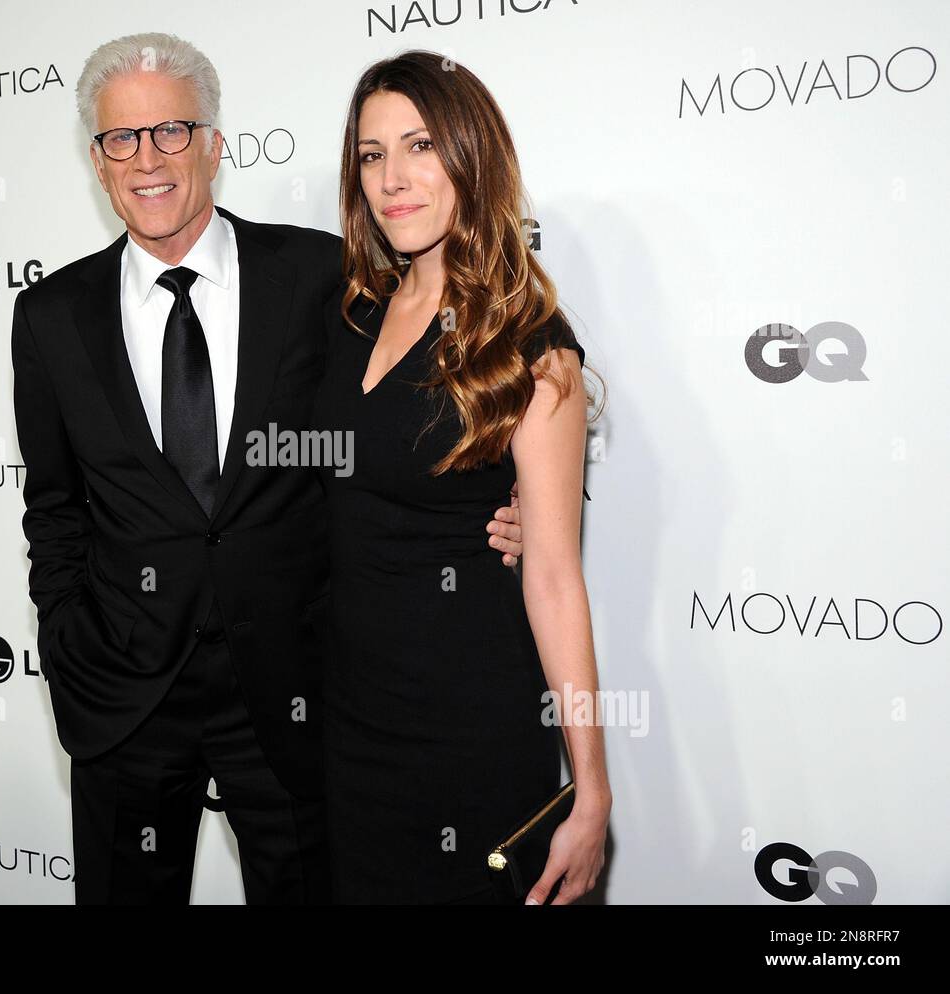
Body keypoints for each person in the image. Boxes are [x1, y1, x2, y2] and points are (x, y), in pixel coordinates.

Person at [10, 33, 526, 904]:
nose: (148, 159)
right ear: (96, 162)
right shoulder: (50, 316)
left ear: (215, 143)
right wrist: (68, 644)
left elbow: (434, 381)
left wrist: (523, 492)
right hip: (125, 702)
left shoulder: (321, 275)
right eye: (121, 140)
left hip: (294, 695)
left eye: (172, 131)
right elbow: (54, 506)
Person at [310, 50, 612, 904]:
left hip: (467, 728)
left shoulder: (530, 347)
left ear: (472, 156)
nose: (393, 178)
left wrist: (590, 790)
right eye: (372, 155)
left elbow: (554, 576)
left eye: (420, 146)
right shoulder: (350, 314)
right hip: (349, 722)